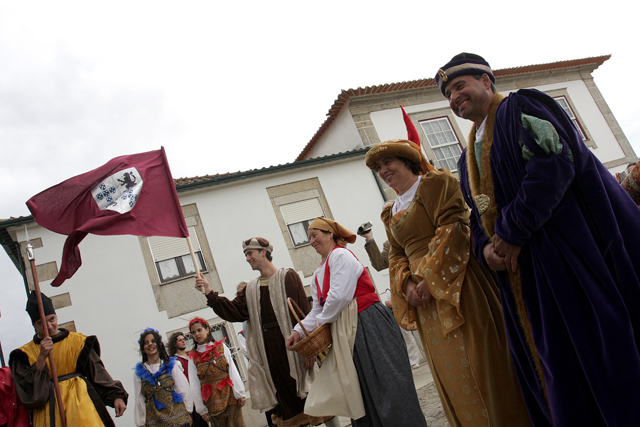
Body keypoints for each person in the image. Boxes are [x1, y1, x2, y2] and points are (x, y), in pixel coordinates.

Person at [437, 52, 640, 426]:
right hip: (522, 281)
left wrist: (511, 233)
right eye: (448, 93)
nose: (453, 97)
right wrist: (486, 249)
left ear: (486, 80)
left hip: (564, 260)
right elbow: (479, 214)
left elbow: (553, 165)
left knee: (595, 352)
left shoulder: (522, 109)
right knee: (557, 366)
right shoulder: (468, 158)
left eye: (459, 85)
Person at [365, 137, 531, 427]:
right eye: (378, 167)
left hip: (459, 281)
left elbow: (454, 226)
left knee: (481, 361)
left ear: (407, 161)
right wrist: (407, 286)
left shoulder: (434, 183)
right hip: (422, 299)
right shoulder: (389, 211)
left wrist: (429, 278)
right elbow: (395, 254)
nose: (383, 170)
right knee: (449, 369)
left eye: (387, 162)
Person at [286, 218, 428, 427]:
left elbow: (339, 296)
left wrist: (321, 323)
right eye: (309, 237)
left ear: (330, 234)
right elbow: (318, 308)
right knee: (362, 390)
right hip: (347, 333)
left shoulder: (340, 256)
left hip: (369, 323)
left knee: (388, 385)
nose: (311, 241)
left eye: (315, 234)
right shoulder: (318, 274)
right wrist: (299, 330)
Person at [194, 238, 336, 427]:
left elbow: (304, 314)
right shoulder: (250, 288)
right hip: (272, 358)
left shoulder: (288, 276)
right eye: (245, 255)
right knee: (290, 408)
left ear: (263, 252)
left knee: (316, 399)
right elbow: (234, 311)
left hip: (295, 351)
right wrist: (209, 292)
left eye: (249, 253)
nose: (247, 258)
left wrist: (308, 350)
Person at [9, 292, 128, 427]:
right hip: (48, 414)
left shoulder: (78, 342)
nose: (48, 326)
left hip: (81, 408)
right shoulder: (24, 355)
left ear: (56, 316)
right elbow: (27, 392)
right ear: (34, 325)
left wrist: (116, 396)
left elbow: (97, 372)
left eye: (51, 319)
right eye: (41, 323)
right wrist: (41, 357)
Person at [188, 317, 246, 427]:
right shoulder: (193, 357)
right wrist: (201, 408)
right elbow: (194, 384)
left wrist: (240, 393)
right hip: (211, 400)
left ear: (207, 329)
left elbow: (232, 370)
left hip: (230, 395)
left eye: (199, 330)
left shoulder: (221, 347)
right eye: (193, 332)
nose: (196, 334)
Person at [133, 328, 193, 427]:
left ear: (159, 345)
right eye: (146, 343)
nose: (150, 344)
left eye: (153, 341)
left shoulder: (171, 365)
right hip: (155, 420)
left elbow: (182, 388)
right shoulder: (139, 373)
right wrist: (141, 422)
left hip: (178, 417)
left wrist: (188, 411)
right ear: (143, 349)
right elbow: (139, 398)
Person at [169, 332, 208, 427]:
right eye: (180, 340)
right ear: (175, 344)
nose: (183, 341)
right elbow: (181, 386)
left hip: (200, 397)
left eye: (183, 339)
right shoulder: (175, 361)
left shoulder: (190, 356)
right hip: (191, 402)